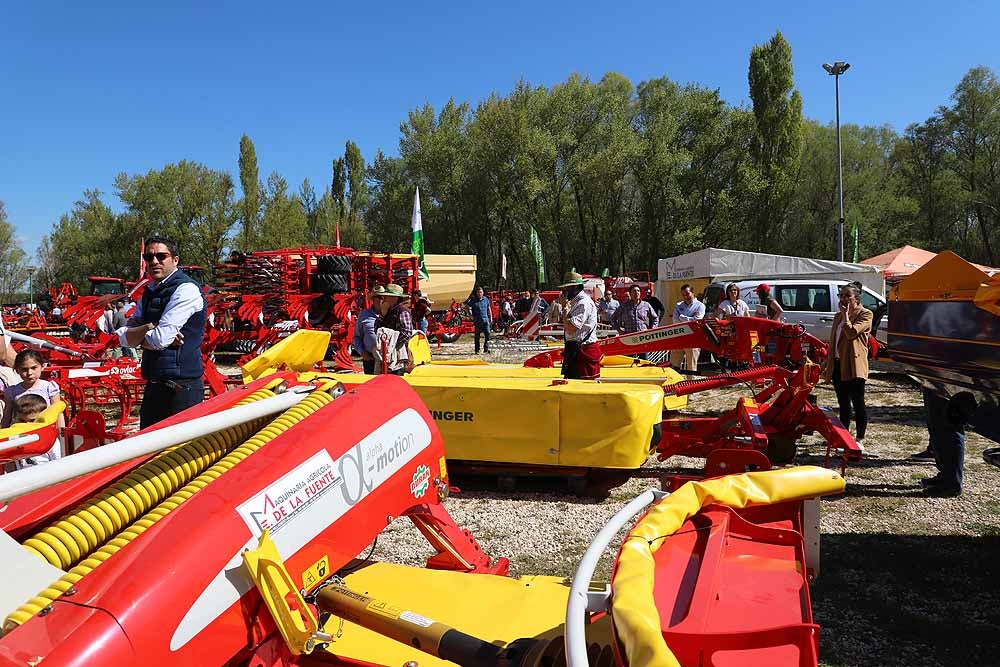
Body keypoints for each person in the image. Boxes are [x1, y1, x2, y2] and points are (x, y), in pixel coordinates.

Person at [115, 235, 206, 429]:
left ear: (175, 260)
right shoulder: (150, 291)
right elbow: (122, 337)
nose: (154, 261)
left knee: (180, 453)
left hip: (181, 389)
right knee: (148, 450)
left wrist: (139, 336)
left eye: (161, 256)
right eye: (149, 257)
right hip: (154, 384)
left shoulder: (186, 290)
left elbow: (159, 340)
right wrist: (149, 327)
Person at [821, 284, 873, 448]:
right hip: (837, 363)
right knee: (843, 402)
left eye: (847, 296)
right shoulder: (838, 316)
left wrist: (846, 317)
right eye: (841, 295)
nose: (843, 299)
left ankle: (860, 439)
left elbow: (851, 333)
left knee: (858, 402)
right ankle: (843, 437)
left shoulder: (865, 314)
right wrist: (826, 361)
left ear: (856, 298)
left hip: (853, 363)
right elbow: (834, 342)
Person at [917, 389, 973, 496]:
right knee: (937, 426)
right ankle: (946, 475)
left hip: (944, 380)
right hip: (934, 378)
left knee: (948, 425)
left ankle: (952, 482)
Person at [1, 350, 65, 434]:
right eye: (24, 369)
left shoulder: (49, 388)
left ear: (42, 366)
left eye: (33, 368)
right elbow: (7, 415)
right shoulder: (12, 391)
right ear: (17, 370)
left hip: (45, 432)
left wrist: (61, 433)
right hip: (20, 434)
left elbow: (58, 412)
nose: (29, 373)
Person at [559, 271, 600, 380]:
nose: (564, 291)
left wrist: (564, 309)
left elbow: (571, 329)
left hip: (584, 351)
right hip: (576, 351)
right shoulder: (575, 302)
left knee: (585, 389)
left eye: (567, 288)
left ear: (576, 287)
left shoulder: (583, 303)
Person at [6, 394, 62, 470]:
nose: (27, 425)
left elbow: (57, 463)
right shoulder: (16, 439)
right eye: (22, 421)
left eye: (32, 421)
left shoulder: (50, 440)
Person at [376, 283, 414, 375]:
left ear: (395, 298)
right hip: (387, 355)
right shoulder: (388, 311)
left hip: (398, 356)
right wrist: (382, 314)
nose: (383, 299)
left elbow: (407, 333)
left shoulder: (402, 311)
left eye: (387, 296)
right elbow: (377, 330)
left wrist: (391, 344)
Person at [613, 285, 658, 359]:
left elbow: (655, 318)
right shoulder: (624, 306)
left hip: (642, 338)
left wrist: (652, 329)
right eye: (634, 291)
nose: (636, 293)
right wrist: (619, 331)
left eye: (638, 291)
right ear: (630, 293)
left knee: (644, 361)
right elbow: (613, 318)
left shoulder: (646, 305)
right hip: (628, 338)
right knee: (628, 361)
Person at [670, 284, 706, 373]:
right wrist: (689, 319)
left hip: (693, 339)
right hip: (679, 337)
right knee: (674, 365)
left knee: (691, 366)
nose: (686, 297)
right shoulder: (678, 305)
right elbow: (675, 321)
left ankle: (691, 384)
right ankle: (674, 384)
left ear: (693, 293)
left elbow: (697, 321)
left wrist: (682, 317)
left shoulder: (700, 306)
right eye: (683, 295)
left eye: (687, 294)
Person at [352, 285, 384, 374]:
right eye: (379, 297)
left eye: (383, 297)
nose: (381, 300)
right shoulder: (364, 315)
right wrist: (362, 352)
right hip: (370, 358)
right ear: (373, 300)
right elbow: (357, 336)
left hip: (388, 359)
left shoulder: (391, 315)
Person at [466, 286, 492, 354]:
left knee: (488, 334)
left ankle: (486, 349)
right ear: (476, 293)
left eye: (480, 292)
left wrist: (491, 317)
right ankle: (477, 350)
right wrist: (470, 315)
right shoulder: (474, 300)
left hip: (485, 320)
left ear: (483, 292)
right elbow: (466, 307)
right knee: (477, 336)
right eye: (478, 292)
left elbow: (489, 308)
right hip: (477, 320)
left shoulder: (486, 299)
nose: (479, 293)